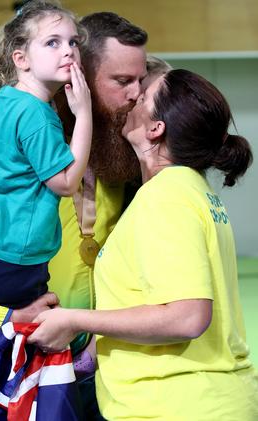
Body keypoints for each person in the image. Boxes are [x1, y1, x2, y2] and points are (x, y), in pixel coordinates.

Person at [0, 10, 149, 421]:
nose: (136, 95)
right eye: (122, 82)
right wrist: (5, 320)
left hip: (79, 371)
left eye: (140, 81)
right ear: (78, 78)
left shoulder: (113, 156)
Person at [27, 68, 258, 421]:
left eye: (145, 95)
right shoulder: (190, 190)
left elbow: (188, 316)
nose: (134, 97)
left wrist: (74, 319)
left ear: (155, 129)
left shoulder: (167, 196)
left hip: (179, 405)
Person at [0, 0, 92, 364]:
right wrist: (83, 114)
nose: (69, 51)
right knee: (51, 316)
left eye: (73, 42)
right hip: (10, 266)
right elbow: (67, 182)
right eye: (53, 43)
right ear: (21, 59)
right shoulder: (39, 116)